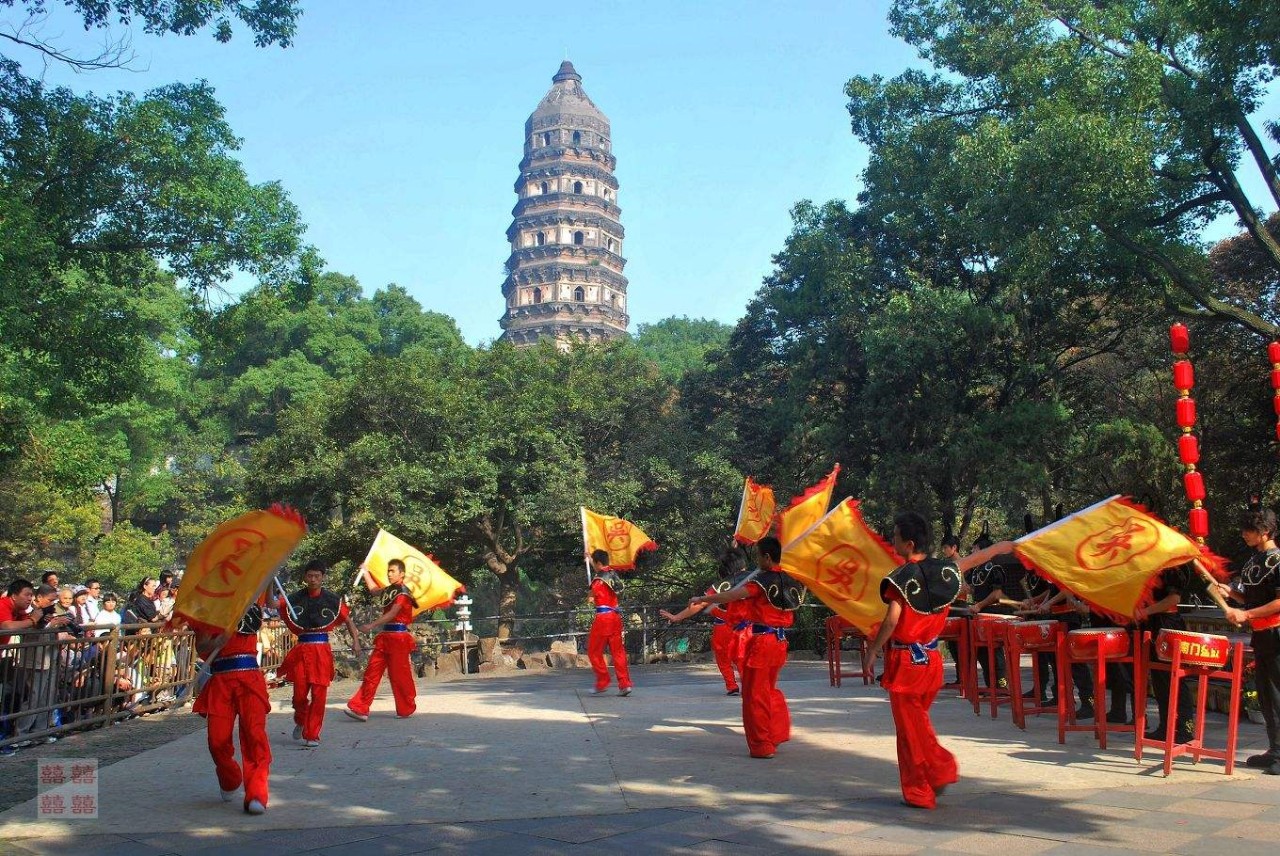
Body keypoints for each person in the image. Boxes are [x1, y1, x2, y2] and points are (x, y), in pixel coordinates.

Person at [867, 514, 1007, 809]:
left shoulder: (902, 578)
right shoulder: (945, 571)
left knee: (910, 730)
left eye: (894, 536)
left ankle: (934, 774)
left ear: (909, 543)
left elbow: (892, 621)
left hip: (907, 663)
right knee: (916, 723)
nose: (891, 541)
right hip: (931, 661)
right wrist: (1004, 546)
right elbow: (975, 558)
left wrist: (872, 651)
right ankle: (927, 779)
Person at [690, 536, 801, 759]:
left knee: (754, 695)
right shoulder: (790, 580)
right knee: (769, 690)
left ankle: (762, 745)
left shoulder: (760, 582)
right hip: (779, 643)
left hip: (761, 643)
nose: (757, 559)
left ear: (767, 557)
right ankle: (775, 733)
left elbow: (733, 595)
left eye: (759, 555)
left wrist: (704, 598)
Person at [1215, 508, 1280, 774]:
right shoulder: (1255, 560)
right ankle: (1275, 748)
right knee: (1266, 694)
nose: (1244, 535)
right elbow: (1252, 599)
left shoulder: (1278, 560)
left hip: (1277, 634)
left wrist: (1246, 613)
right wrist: (1231, 593)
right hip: (1262, 635)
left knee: (1278, 693)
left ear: (1265, 531)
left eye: (1249, 530)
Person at [192, 602, 272, 814]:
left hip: (250, 678)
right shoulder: (207, 608)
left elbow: (269, 590)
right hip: (221, 681)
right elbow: (201, 648)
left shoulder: (252, 597)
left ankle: (257, 793)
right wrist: (217, 641)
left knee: (255, 734)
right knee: (217, 741)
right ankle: (230, 778)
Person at [279, 561, 362, 747]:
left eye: (317, 576)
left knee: (319, 694)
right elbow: (273, 604)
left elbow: (348, 620)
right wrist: (269, 583)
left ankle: (312, 734)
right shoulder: (295, 598)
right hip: (301, 651)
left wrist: (355, 641)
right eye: (310, 576)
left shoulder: (332, 600)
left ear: (323, 577)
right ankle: (301, 720)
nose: (313, 579)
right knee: (299, 696)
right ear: (305, 577)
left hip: (321, 651)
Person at [661, 547, 748, 695]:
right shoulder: (752, 580)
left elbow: (699, 604)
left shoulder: (720, 586)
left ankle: (731, 685)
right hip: (745, 627)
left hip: (722, 627)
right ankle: (748, 684)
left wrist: (676, 617)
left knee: (723, 658)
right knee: (742, 658)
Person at [346, 559, 419, 721]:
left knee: (399, 675)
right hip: (386, 637)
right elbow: (373, 591)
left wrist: (371, 625)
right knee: (372, 671)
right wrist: (365, 572)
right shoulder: (390, 590)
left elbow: (393, 613)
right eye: (389, 571)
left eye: (393, 571)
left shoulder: (403, 593)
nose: (389, 573)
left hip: (399, 638)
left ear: (402, 574)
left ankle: (406, 707)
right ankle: (361, 708)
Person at [1135, 564, 1197, 744]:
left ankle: (1185, 728)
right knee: (1159, 679)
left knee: (1175, 678)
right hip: (1152, 624)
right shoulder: (1152, 565)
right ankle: (1165, 726)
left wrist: (1145, 611)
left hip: (1169, 624)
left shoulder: (1175, 566)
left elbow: (1173, 598)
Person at [586, 549, 633, 697]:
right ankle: (624, 684)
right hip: (615, 617)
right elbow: (603, 574)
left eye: (594, 562)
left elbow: (590, 599)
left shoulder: (598, 581)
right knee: (618, 652)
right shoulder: (613, 574)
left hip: (603, 619)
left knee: (594, 651)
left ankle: (603, 680)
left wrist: (590, 593)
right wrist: (589, 558)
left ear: (599, 563)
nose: (593, 565)